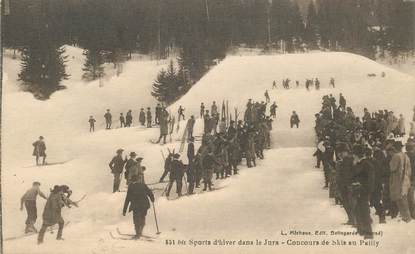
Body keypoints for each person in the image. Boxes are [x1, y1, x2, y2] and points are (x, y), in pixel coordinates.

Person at [351, 145, 374, 239]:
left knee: (364, 211)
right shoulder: (359, 163)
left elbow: (370, 180)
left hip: (363, 191)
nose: (353, 157)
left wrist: (363, 188)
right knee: (358, 209)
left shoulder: (366, 164)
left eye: (354, 155)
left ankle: (368, 233)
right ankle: (362, 230)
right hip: (359, 191)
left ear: (357, 155)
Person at [122, 175, 155, 239]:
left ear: (132, 180)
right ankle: (140, 231)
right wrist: (152, 199)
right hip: (144, 205)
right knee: (142, 217)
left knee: (136, 219)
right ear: (138, 180)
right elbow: (150, 192)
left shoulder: (131, 187)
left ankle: (138, 233)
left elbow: (127, 199)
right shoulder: (143, 185)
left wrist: (124, 210)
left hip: (136, 205)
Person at [388, 141, 412, 222]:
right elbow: (409, 170)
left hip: (398, 180)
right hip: (406, 180)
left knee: (400, 200)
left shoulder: (396, 156)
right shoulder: (406, 156)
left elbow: (392, 168)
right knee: (404, 199)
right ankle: (407, 217)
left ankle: (406, 217)